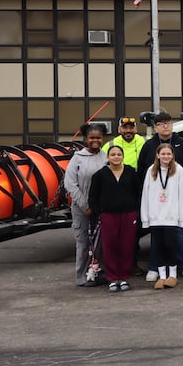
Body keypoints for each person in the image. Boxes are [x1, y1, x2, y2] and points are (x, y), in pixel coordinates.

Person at [137, 112, 183, 282]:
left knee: (178, 236)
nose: (165, 126)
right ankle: (154, 268)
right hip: (156, 204)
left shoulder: (181, 143)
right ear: (155, 127)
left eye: (168, 123)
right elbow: (142, 172)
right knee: (156, 238)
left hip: (174, 202)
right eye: (161, 123)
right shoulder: (149, 146)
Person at [88, 145, 140, 292]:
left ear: (123, 157)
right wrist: (98, 213)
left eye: (119, 154)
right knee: (110, 247)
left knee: (126, 246)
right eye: (113, 154)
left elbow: (138, 193)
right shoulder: (100, 175)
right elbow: (93, 197)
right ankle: (112, 278)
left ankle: (123, 277)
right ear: (108, 157)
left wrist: (136, 211)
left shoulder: (131, 173)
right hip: (108, 215)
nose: (116, 157)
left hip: (128, 215)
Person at [64, 123, 109, 287]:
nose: (95, 140)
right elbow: (70, 184)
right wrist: (85, 206)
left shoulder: (106, 157)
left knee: (101, 243)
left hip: (102, 208)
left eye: (98, 138)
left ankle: (99, 273)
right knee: (83, 243)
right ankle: (81, 276)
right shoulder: (77, 158)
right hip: (82, 209)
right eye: (92, 138)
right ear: (86, 139)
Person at [103, 115, 146, 277]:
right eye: (125, 128)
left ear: (135, 129)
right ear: (119, 129)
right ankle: (112, 269)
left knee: (132, 233)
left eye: (131, 128)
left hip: (135, 190)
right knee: (113, 235)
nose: (128, 131)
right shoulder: (110, 145)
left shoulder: (142, 142)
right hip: (115, 191)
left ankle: (131, 265)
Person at [141, 143, 183, 289]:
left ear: (173, 155)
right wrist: (145, 217)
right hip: (155, 216)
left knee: (170, 245)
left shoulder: (178, 170)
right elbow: (145, 194)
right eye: (163, 154)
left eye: (169, 154)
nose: (166, 156)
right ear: (157, 155)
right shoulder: (151, 170)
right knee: (158, 246)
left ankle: (172, 275)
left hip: (171, 216)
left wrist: (182, 218)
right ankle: (162, 276)